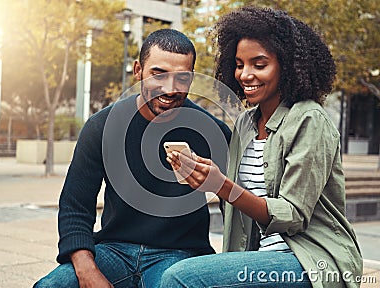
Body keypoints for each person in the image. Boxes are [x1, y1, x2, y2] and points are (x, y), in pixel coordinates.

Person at [162, 6, 362, 288]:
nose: (245, 75)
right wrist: (203, 175)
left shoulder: (309, 120)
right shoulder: (245, 123)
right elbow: (238, 212)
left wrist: (222, 186)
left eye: (259, 64)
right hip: (263, 258)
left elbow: (293, 216)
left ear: (288, 66)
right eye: (240, 64)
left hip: (312, 261)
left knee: (179, 278)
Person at [34, 29, 231, 288]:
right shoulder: (101, 126)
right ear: (138, 70)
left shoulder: (213, 133)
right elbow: (75, 206)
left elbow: (236, 211)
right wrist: (86, 270)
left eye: (182, 78)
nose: (170, 89)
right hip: (113, 250)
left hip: (180, 255)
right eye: (158, 74)